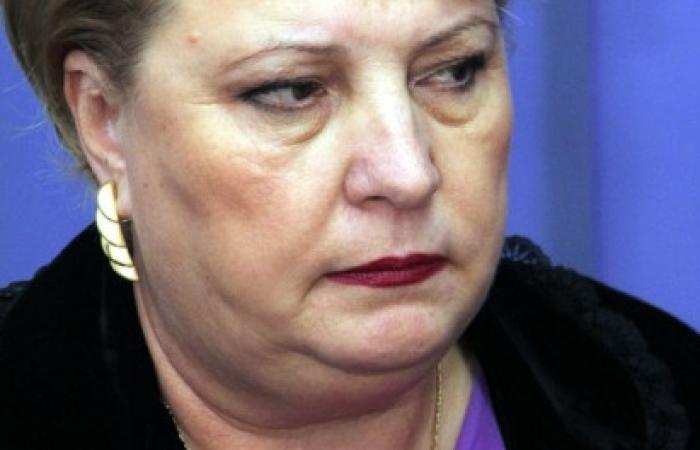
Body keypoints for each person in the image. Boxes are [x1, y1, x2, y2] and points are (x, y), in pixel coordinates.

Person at [0, 0, 697, 449]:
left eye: (454, 70)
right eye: (291, 89)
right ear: (104, 120)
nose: (409, 173)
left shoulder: (661, 392)